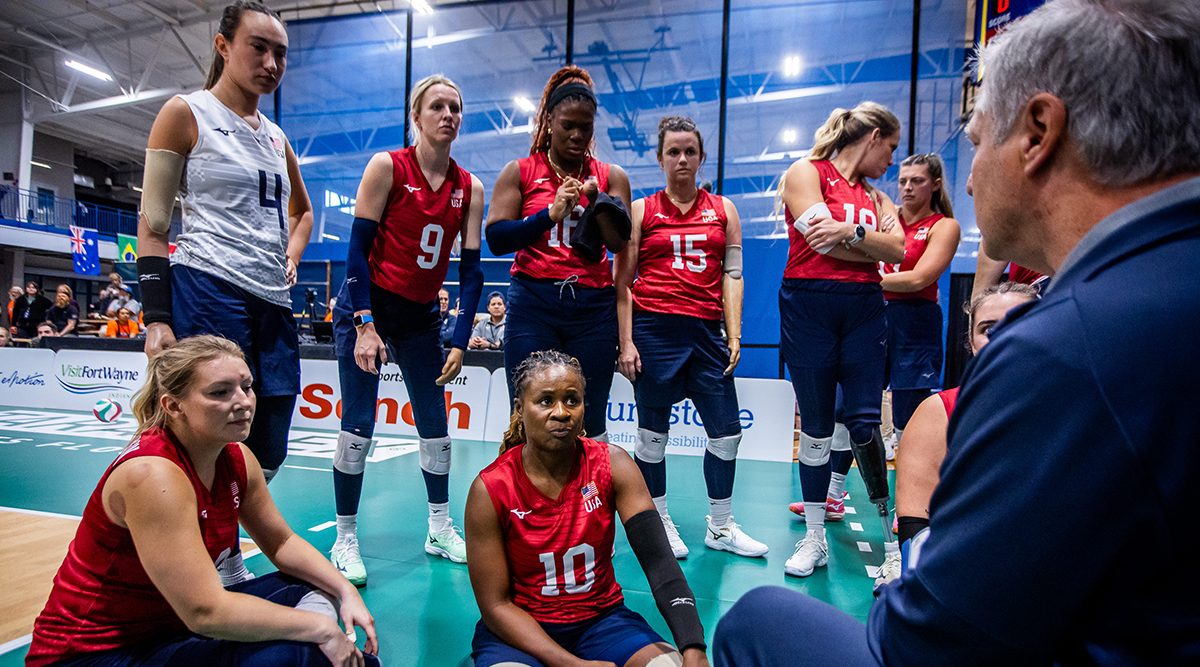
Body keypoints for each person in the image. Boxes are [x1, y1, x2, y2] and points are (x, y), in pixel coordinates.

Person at [714, 1, 1200, 663]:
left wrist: (920, 539)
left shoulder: (1060, 350)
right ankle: (828, 530)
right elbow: (865, 245)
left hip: (877, 325)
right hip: (824, 310)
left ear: (1037, 131)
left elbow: (923, 644)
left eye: (974, 142)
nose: (966, 177)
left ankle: (892, 541)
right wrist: (875, 243)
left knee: (754, 614)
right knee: (827, 425)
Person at [26, 336, 379, 667]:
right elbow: (206, 612)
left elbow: (281, 541)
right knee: (301, 653)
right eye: (220, 392)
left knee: (314, 586)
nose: (242, 401)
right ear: (174, 405)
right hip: (94, 654)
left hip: (169, 629)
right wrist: (321, 630)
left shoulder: (237, 456)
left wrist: (345, 589)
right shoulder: (153, 475)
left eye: (247, 386)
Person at [136, 0, 313, 585]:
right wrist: (156, 317)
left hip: (272, 301)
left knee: (269, 431)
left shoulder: (277, 137)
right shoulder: (185, 113)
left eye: (280, 52)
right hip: (209, 286)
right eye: (258, 47)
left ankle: (222, 529)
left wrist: (289, 256)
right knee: (206, 426)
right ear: (222, 47)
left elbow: (303, 212)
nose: (270, 62)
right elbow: (155, 223)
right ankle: (208, 551)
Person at [328, 73, 485, 586]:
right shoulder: (386, 168)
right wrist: (364, 324)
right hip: (367, 306)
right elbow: (355, 252)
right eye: (437, 106)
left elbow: (472, 271)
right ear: (416, 118)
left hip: (421, 316)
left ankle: (439, 528)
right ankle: (345, 537)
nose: (448, 115)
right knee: (357, 426)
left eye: (455, 108)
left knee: (436, 428)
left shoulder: (469, 187)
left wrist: (459, 339)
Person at [466, 350, 708, 667]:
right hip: (520, 630)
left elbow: (660, 563)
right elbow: (495, 605)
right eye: (545, 401)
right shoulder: (490, 488)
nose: (561, 412)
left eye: (572, 400)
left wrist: (693, 646)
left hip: (602, 622)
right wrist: (572, 664)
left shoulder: (613, 464)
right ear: (519, 409)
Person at [614, 115, 767, 560]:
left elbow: (732, 274)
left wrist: (734, 332)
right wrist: (625, 343)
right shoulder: (642, 210)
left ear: (701, 157)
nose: (682, 159)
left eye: (690, 151)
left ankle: (720, 526)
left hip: (705, 334)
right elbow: (621, 281)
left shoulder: (724, 210)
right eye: (673, 152)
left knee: (727, 434)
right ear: (660, 159)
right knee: (651, 437)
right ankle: (659, 520)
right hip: (654, 331)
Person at [777, 102, 905, 579]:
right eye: (890, 148)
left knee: (865, 424)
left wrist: (851, 230)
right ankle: (815, 539)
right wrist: (870, 242)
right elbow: (817, 239)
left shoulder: (876, 197)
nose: (892, 160)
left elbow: (901, 250)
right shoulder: (805, 172)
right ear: (872, 136)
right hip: (808, 303)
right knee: (814, 426)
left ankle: (892, 544)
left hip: (864, 309)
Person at [485, 65, 632, 442]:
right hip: (534, 302)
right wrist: (547, 215)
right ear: (549, 120)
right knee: (526, 412)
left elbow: (619, 243)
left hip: (592, 308)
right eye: (568, 125)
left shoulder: (610, 175)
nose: (578, 135)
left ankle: (589, 500)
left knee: (591, 414)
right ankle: (522, 501)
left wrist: (599, 201)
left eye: (586, 126)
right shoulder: (519, 171)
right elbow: (498, 238)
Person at [893, 282, 1037, 560]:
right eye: (988, 329)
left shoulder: (1078, 407)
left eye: (1022, 322)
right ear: (971, 343)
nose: (1003, 336)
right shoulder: (939, 412)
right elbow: (917, 533)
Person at [878, 154, 961, 460]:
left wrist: (864, 280)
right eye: (902, 181)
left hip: (915, 322)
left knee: (907, 414)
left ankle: (908, 502)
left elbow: (919, 279)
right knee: (850, 408)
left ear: (936, 185)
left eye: (917, 180)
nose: (908, 187)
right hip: (874, 317)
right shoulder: (886, 219)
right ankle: (833, 491)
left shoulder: (944, 226)